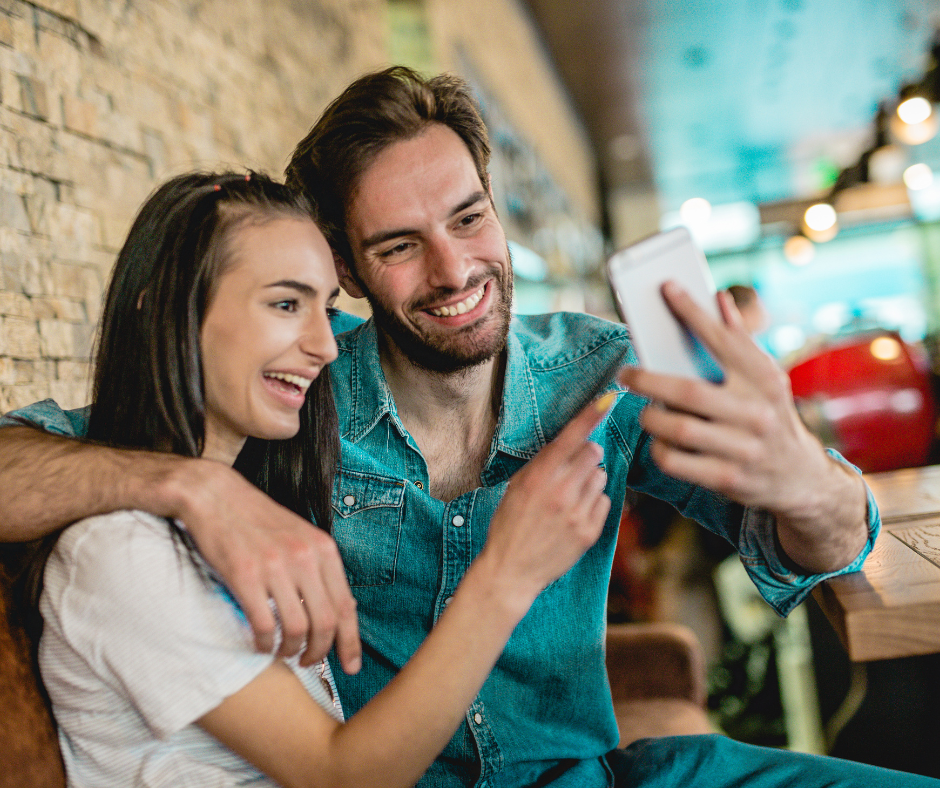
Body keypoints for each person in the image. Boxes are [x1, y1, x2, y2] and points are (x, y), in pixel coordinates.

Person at [0, 68, 934, 787]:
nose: (454, 271)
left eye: (468, 218)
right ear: (350, 269)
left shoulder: (602, 376)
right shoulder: (282, 393)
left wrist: (804, 477)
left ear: (493, 204)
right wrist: (187, 484)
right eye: (400, 246)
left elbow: (823, 550)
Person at [24, 169, 613, 787]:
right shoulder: (118, 552)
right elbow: (344, 776)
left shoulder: (242, 506)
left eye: (325, 309)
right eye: (285, 304)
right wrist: (509, 570)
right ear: (165, 310)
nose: (326, 346)